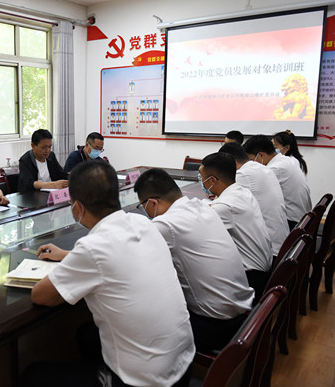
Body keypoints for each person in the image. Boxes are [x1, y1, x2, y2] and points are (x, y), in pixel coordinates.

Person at [24, 161, 194, 387]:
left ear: (77, 207)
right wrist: (69, 256)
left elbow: (40, 295)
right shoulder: (143, 222)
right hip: (183, 364)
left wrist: (75, 259)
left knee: (33, 375)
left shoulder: (93, 247)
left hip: (145, 381)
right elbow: (113, 255)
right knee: (87, 334)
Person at [133, 168, 254, 353]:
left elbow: (129, 254)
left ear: (152, 203)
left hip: (215, 327)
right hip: (242, 312)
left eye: (142, 206)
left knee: (141, 316)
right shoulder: (202, 206)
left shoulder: (166, 225)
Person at [199, 153, 273, 303]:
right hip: (265, 270)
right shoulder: (242, 191)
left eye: (202, 178)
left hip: (251, 279)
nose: (201, 181)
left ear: (212, 180)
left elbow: (197, 229)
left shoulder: (224, 207)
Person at [219, 143, 289, 263]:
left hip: (270, 250)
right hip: (281, 240)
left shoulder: (243, 174)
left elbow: (223, 202)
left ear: (233, 162)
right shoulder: (261, 168)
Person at [243, 135, 312, 230]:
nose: (252, 163)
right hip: (303, 217)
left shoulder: (275, 169)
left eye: (251, 159)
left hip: (292, 221)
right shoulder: (287, 160)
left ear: (261, 155)